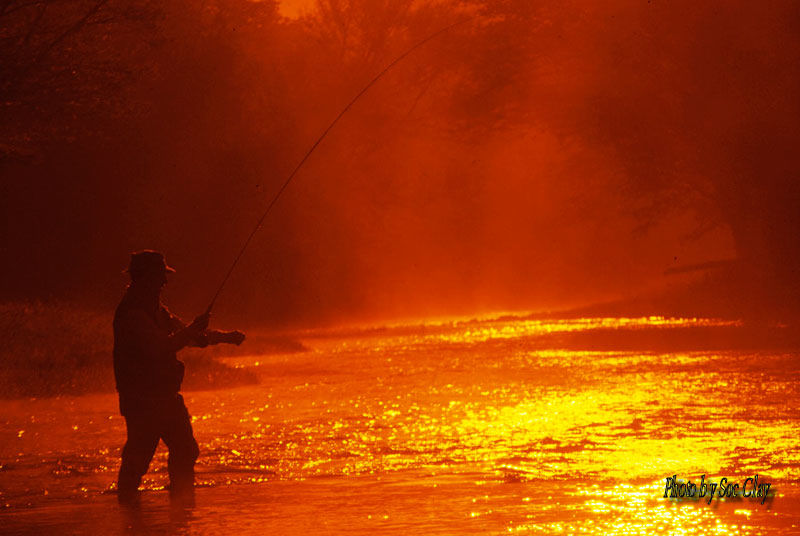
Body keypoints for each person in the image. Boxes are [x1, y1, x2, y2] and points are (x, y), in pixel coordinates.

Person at [113, 250, 245, 504]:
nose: (165, 282)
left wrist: (226, 337)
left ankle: (182, 507)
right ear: (143, 278)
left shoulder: (157, 310)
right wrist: (193, 330)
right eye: (160, 276)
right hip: (142, 401)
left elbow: (188, 335)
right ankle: (127, 509)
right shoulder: (132, 314)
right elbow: (163, 346)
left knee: (185, 451)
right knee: (139, 459)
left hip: (166, 397)